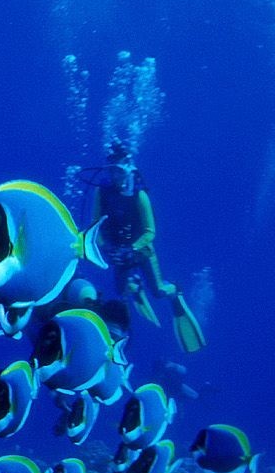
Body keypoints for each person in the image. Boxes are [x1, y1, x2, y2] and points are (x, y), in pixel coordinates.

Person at [84, 141, 203, 352]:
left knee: (157, 291)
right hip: (117, 251)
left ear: (129, 169)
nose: (115, 177)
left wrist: (132, 249)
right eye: (111, 171)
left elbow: (150, 232)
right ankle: (134, 287)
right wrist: (107, 248)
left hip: (141, 252)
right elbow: (95, 227)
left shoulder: (140, 196)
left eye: (119, 171)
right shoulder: (102, 193)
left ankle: (175, 291)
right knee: (120, 294)